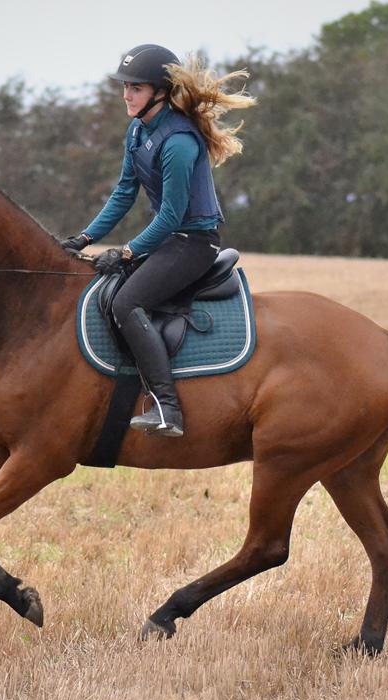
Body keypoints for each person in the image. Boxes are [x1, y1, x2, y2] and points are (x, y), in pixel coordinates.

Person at [62, 44, 255, 437]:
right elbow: (122, 194)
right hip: (170, 240)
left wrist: (127, 250)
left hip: (195, 242)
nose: (126, 95)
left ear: (160, 92)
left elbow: (170, 215)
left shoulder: (179, 142)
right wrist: (83, 239)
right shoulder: (138, 130)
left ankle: (169, 410)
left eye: (135, 87)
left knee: (127, 301)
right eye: (125, 86)